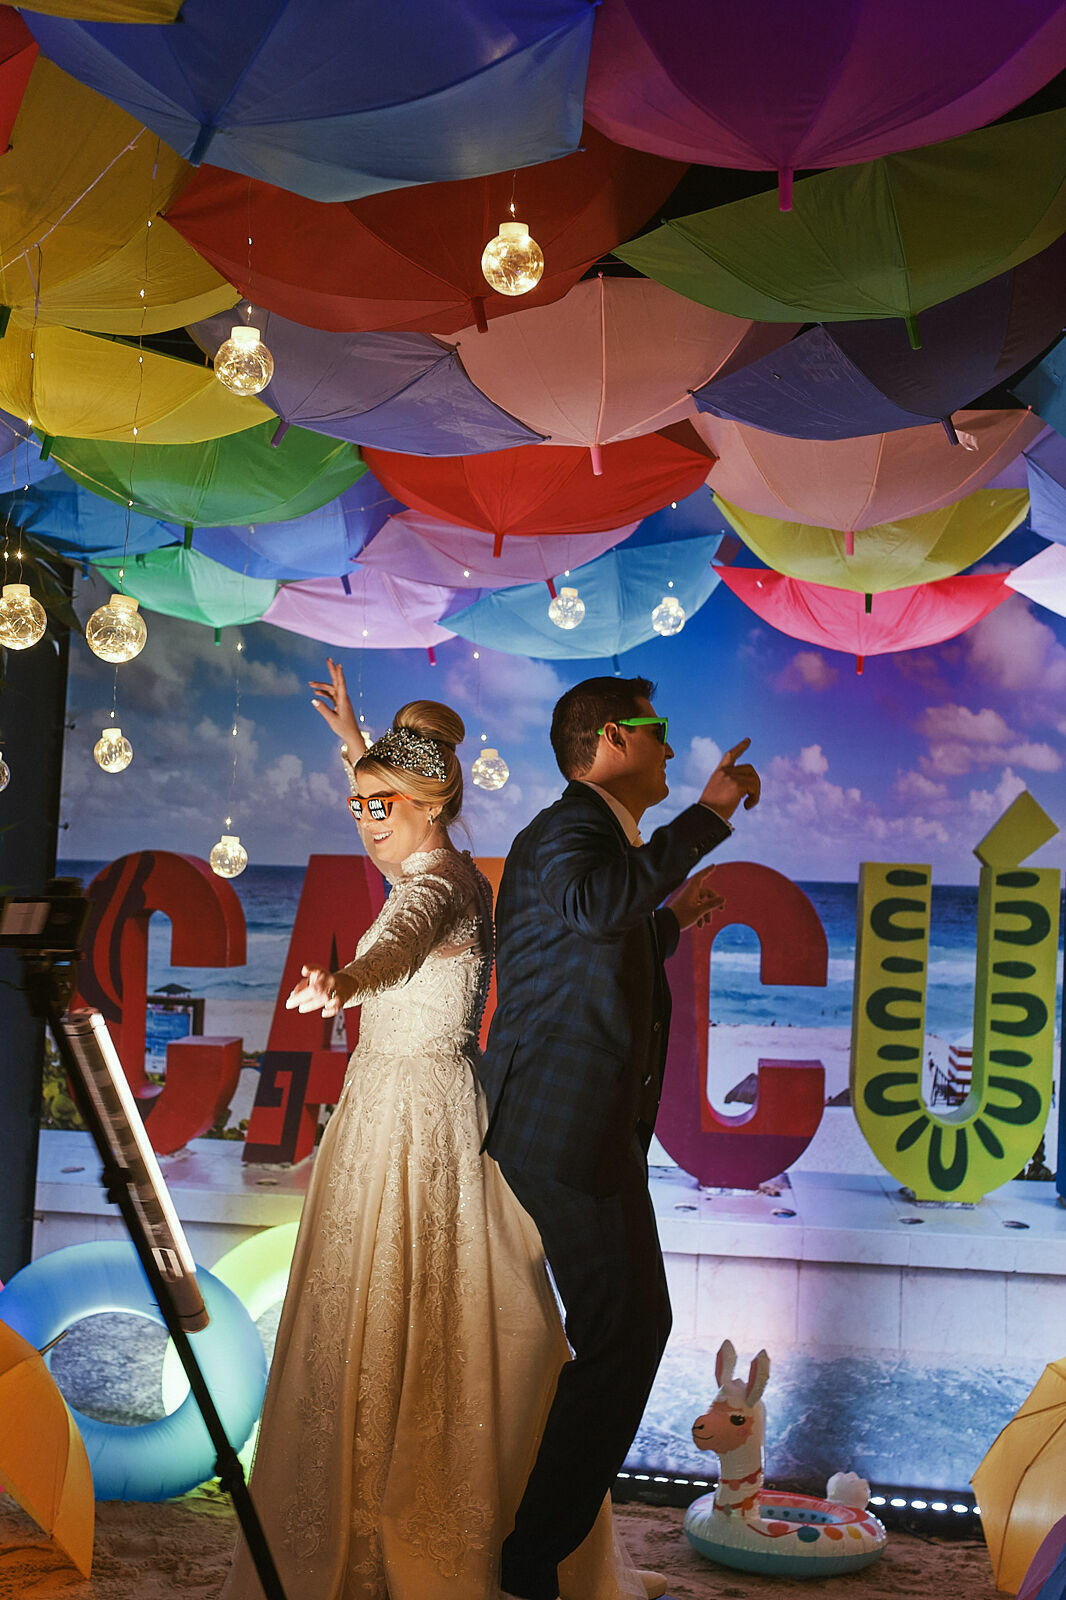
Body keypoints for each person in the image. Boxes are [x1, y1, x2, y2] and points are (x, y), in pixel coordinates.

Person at [222, 660, 645, 1600]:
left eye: (382, 803)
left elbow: (400, 942)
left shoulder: (439, 885)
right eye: (357, 803)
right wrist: (354, 740)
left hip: (417, 1121)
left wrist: (340, 982)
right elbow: (402, 824)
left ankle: (415, 1526)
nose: (365, 816)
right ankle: (369, 1510)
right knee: (377, 1316)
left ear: (429, 803)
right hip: (390, 1111)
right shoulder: (434, 854)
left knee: (416, 1321)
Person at [480, 675, 761, 1600]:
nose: (675, 751)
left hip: (588, 1132)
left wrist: (667, 924)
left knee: (634, 1331)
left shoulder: (594, 843)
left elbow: (590, 941)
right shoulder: (567, 830)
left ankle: (537, 1550)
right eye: (660, 731)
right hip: (559, 1133)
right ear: (611, 738)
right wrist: (707, 817)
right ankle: (531, 1560)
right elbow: (598, 910)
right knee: (626, 1336)